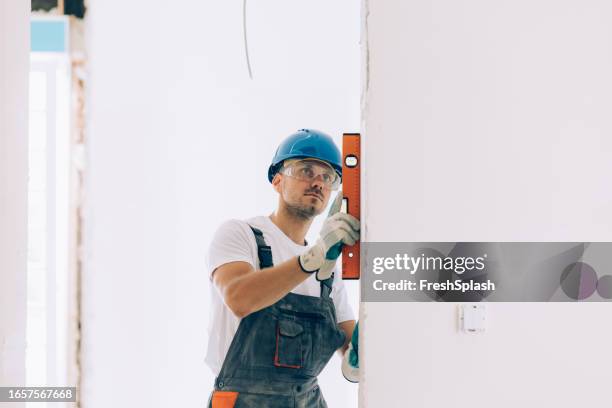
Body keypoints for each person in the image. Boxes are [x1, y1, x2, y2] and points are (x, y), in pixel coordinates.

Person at [205, 129, 360, 407]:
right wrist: (310, 260)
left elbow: (351, 345)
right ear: (277, 180)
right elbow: (239, 298)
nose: (318, 182)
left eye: (327, 177)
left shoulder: (329, 274)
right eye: (306, 170)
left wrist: (358, 359)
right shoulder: (242, 234)